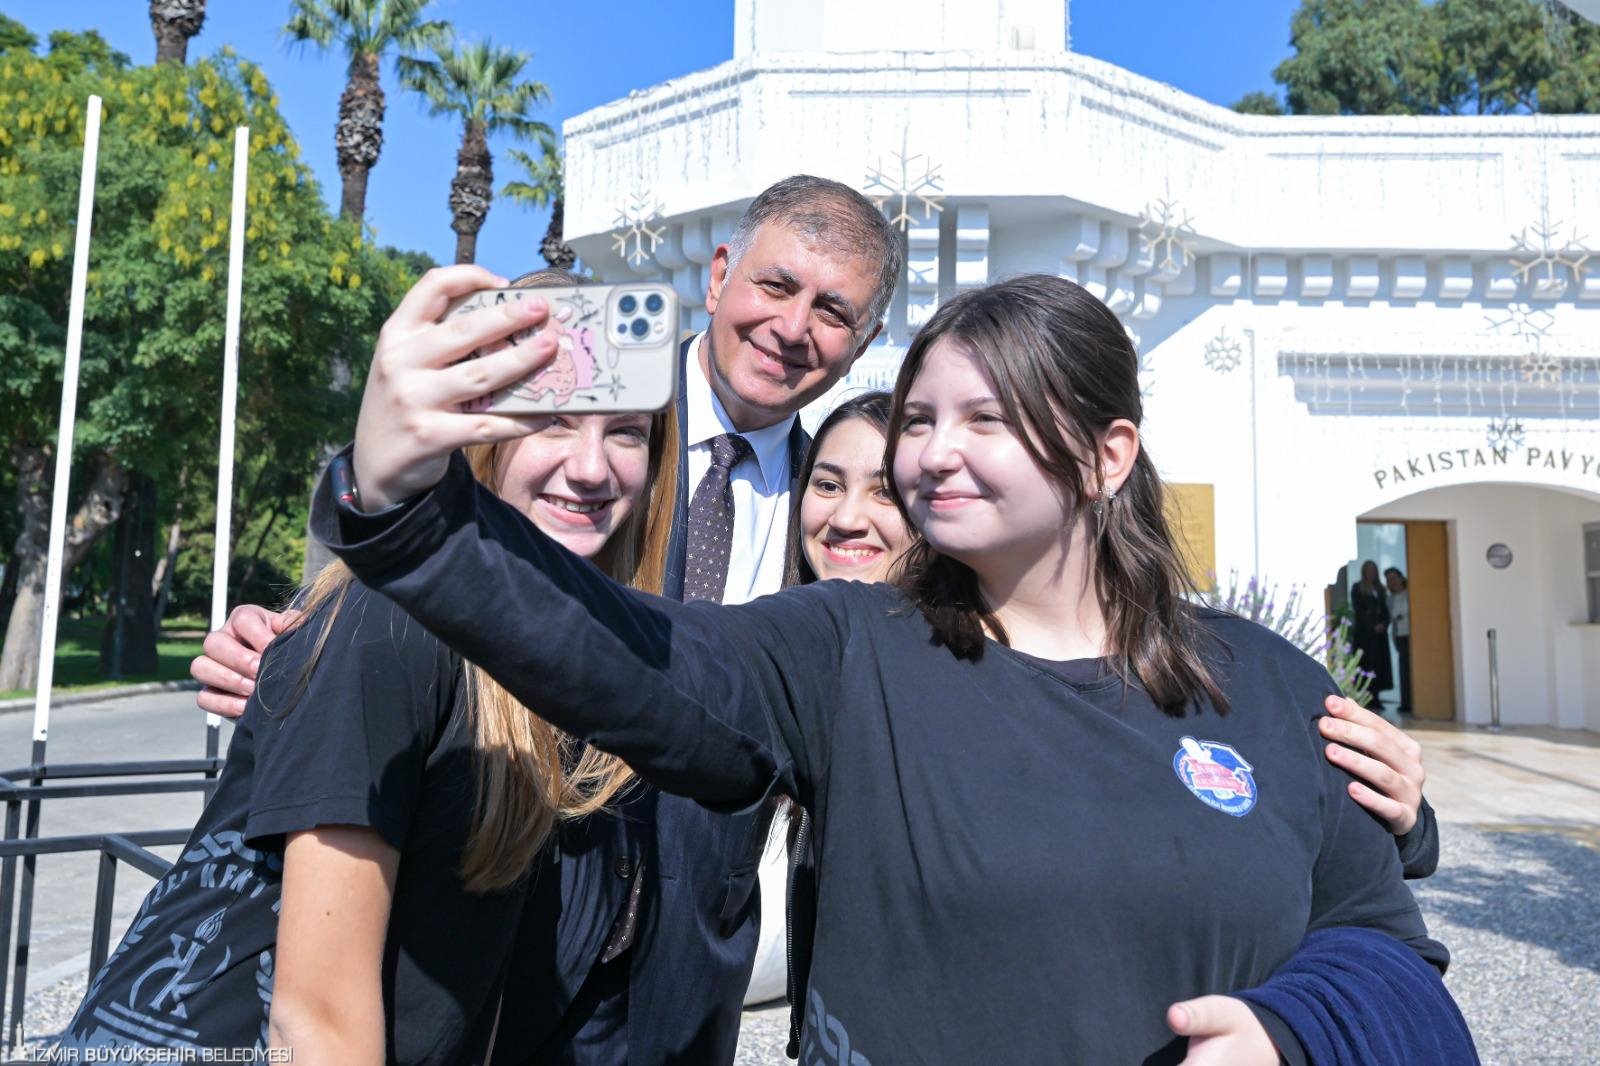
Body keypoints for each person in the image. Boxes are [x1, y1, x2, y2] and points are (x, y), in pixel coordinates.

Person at [313, 272, 1476, 1062]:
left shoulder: (1266, 683)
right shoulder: (850, 647)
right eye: (917, 418)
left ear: (1107, 451)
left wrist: (1296, 1029)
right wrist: (405, 511)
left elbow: (1392, 956)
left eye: (985, 418)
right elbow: (636, 655)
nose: (931, 453)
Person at [61, 271, 679, 1061]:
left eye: (625, 431)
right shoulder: (391, 621)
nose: (592, 468)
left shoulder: (582, 660)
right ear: (476, 430)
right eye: (549, 421)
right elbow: (314, 1019)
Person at [1351, 560, 1394, 709]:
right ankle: (1366, 698)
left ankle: (1376, 698)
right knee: (1366, 664)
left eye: (1373, 570)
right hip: (1365, 636)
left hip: (1379, 637)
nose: (1371, 573)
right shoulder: (1357, 588)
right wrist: (1371, 626)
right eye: (1368, 570)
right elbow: (1359, 610)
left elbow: (1386, 611)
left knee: (1379, 666)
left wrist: (1383, 624)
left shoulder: (1380, 589)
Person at [1386, 567, 1413, 714]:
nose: (1393, 581)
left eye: (1394, 577)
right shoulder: (1390, 599)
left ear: (1401, 578)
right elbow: (1392, 617)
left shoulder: (1411, 593)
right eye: (1389, 579)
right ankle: (1406, 703)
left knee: (1413, 670)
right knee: (1404, 670)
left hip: (1413, 635)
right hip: (1400, 636)